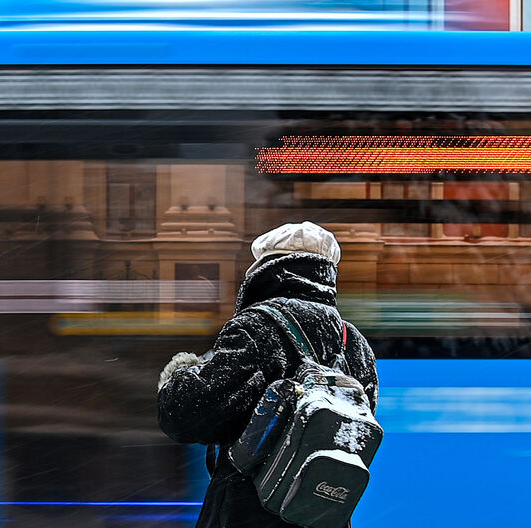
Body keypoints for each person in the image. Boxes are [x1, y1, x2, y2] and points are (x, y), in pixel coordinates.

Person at [157, 221, 379, 528]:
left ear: (265, 271)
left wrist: (180, 373)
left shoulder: (259, 327)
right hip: (319, 515)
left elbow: (187, 417)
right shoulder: (354, 344)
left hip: (249, 513)